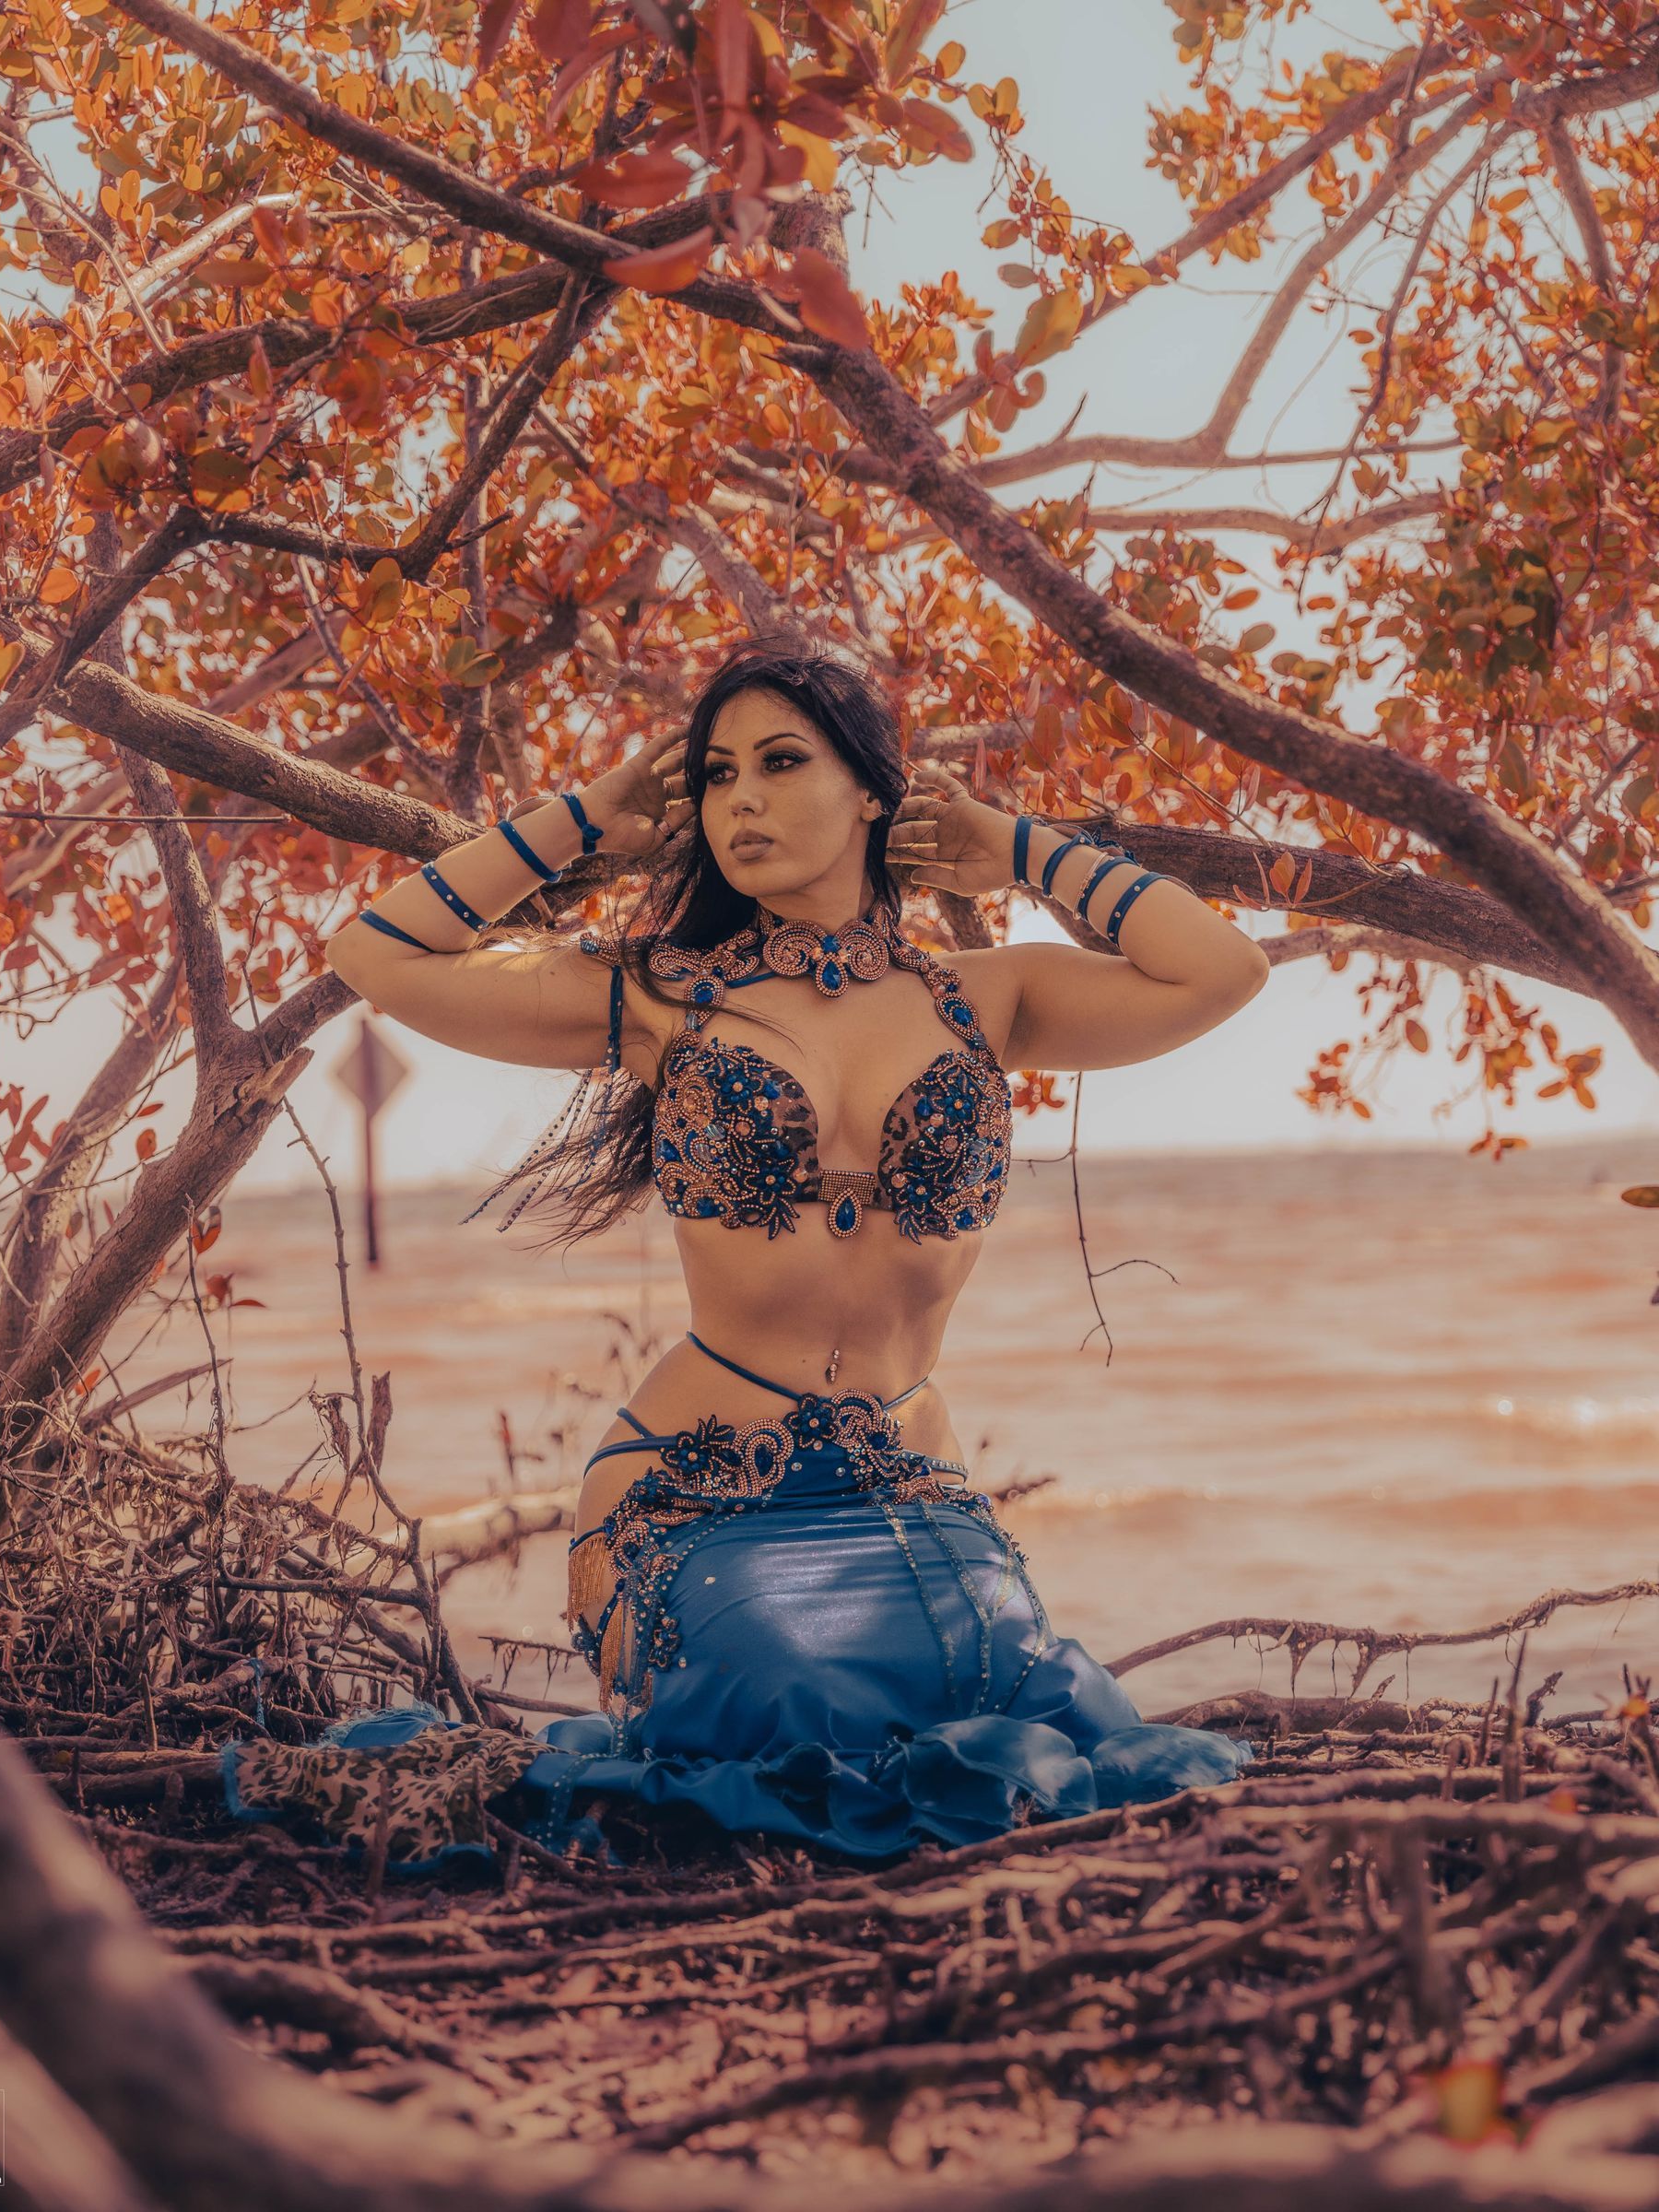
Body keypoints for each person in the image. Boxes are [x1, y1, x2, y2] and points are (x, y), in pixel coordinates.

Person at [314, 639, 1271, 1862]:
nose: (741, 801)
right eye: (715, 776)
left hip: (918, 1491)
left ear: (874, 788)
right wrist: (588, 817)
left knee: (1009, 1707)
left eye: (780, 763)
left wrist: (1014, 844)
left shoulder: (989, 995)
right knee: (791, 1708)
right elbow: (374, 955)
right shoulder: (658, 994)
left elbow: (1222, 970)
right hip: (696, 1495)